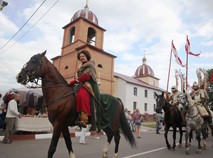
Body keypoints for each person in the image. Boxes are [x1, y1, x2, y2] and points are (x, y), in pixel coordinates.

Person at [69, 50, 120, 131]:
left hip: (89, 85)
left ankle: (84, 119)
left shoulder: (90, 65)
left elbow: (86, 77)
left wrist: (74, 81)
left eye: (83, 56)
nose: (81, 57)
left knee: (81, 95)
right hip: (81, 83)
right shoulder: (81, 66)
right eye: (80, 56)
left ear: (87, 56)